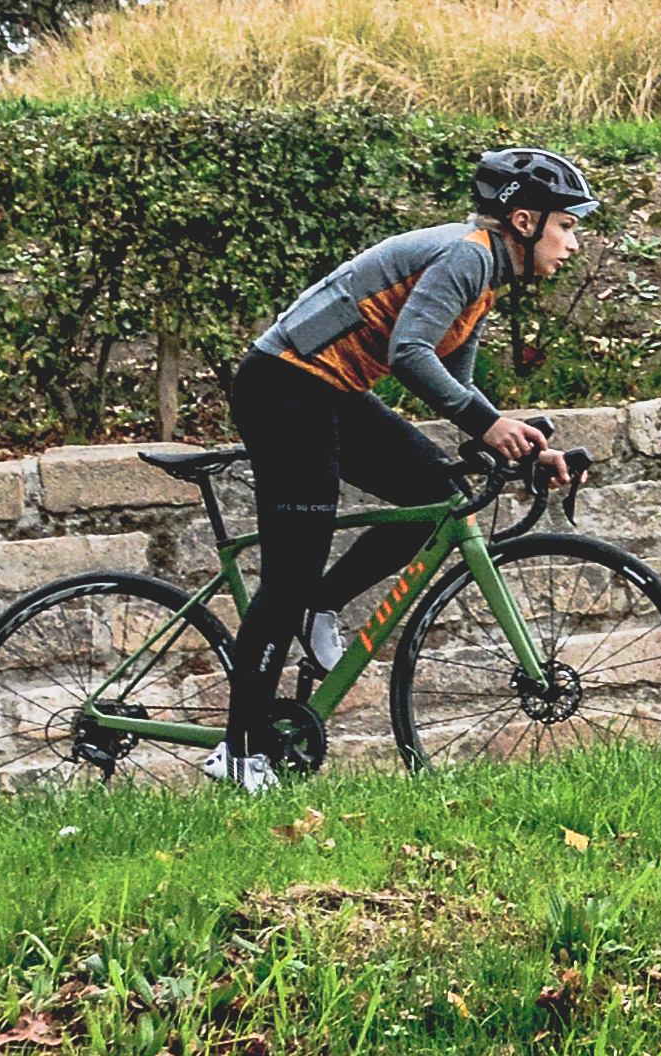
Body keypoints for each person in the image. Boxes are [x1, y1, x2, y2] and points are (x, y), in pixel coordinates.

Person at [216, 146, 593, 784]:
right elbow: (412, 352)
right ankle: (239, 752)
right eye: (568, 225)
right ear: (525, 221)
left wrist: (520, 442)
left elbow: (456, 385)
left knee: (433, 487)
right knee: (289, 572)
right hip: (285, 387)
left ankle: (320, 606)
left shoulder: (486, 274)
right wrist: (487, 425)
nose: (574, 243)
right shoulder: (468, 254)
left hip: (330, 390)